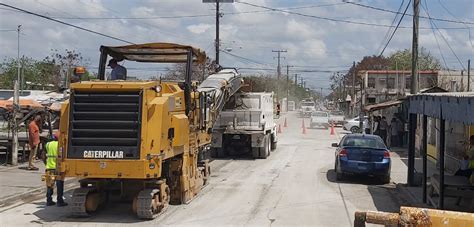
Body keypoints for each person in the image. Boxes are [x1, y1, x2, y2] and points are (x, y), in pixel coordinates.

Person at [43, 132, 68, 207]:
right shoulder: (60, 145)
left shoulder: (48, 144)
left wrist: (46, 164)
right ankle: (60, 201)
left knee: (49, 185)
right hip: (58, 168)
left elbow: (43, 155)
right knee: (59, 184)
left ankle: (49, 200)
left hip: (49, 167)